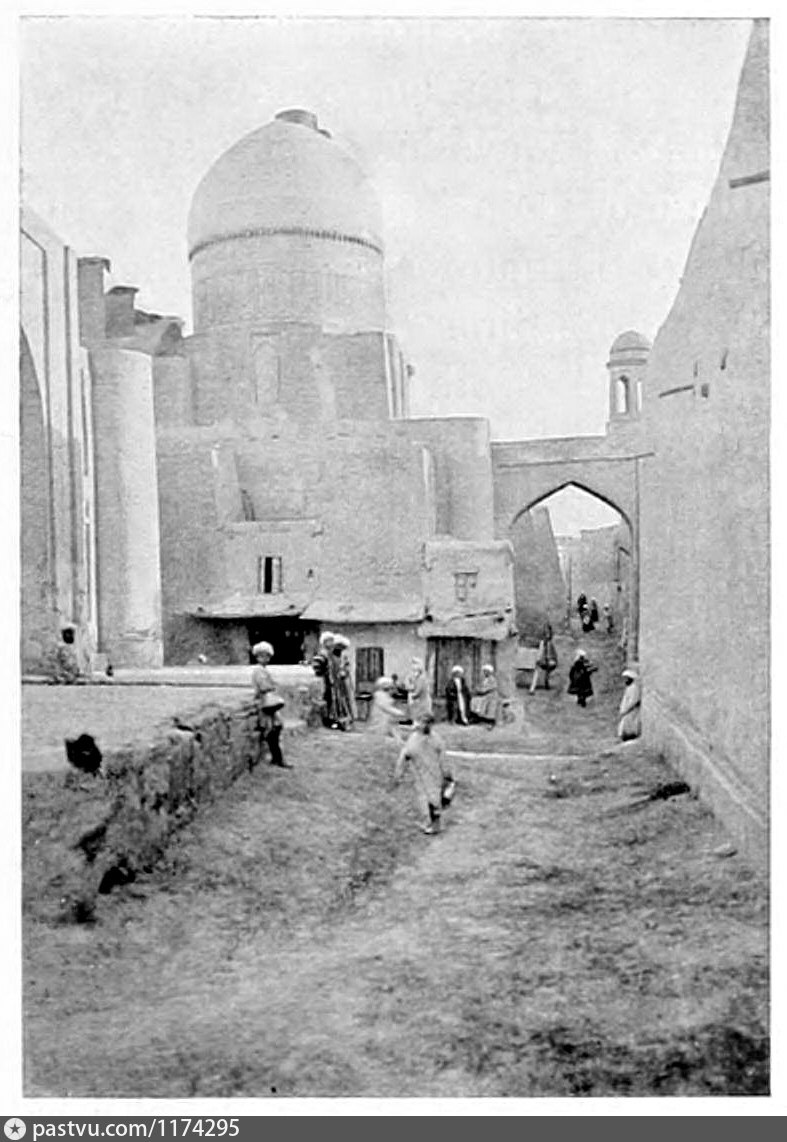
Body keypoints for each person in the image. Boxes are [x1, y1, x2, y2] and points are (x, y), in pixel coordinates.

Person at [394, 714, 454, 835]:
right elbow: (405, 756)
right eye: (424, 722)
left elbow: (442, 758)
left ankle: (432, 824)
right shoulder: (417, 739)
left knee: (431, 798)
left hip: (433, 774)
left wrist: (447, 774)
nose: (425, 725)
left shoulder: (433, 739)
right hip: (422, 774)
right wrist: (398, 773)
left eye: (427, 723)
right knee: (429, 799)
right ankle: (432, 823)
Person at [251, 641, 292, 768]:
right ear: (257, 656)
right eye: (263, 656)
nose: (266, 659)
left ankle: (277, 757)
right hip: (265, 702)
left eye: (267, 656)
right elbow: (264, 686)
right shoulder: (258, 671)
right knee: (272, 730)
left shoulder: (262, 670)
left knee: (276, 728)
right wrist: (272, 686)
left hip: (268, 702)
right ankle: (277, 758)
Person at [328, 634, 356, 731]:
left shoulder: (344, 657)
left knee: (345, 700)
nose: (340, 649)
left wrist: (345, 671)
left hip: (344, 683)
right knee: (336, 701)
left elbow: (347, 668)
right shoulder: (331, 658)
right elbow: (330, 670)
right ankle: (337, 720)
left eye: (341, 647)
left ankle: (347, 720)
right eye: (338, 647)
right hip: (335, 683)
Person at [366, 676, 406, 743]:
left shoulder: (386, 696)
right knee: (379, 738)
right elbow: (387, 708)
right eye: (390, 688)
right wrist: (401, 713)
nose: (392, 690)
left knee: (393, 727)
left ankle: (399, 741)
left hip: (386, 719)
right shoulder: (380, 696)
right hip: (379, 722)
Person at [311, 631, 335, 727]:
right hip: (323, 681)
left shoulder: (329, 655)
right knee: (325, 699)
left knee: (329, 700)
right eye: (330, 641)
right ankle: (325, 720)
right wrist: (323, 676)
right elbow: (317, 669)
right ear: (325, 642)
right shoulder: (322, 655)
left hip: (328, 681)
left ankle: (329, 718)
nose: (332, 643)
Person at [530, 623, 558, 693]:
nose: (547, 635)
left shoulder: (550, 643)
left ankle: (546, 680)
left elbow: (553, 654)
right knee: (537, 670)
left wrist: (552, 659)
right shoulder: (543, 643)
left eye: (548, 633)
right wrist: (539, 659)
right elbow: (540, 651)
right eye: (546, 633)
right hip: (542, 661)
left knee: (548, 669)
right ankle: (532, 688)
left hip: (549, 661)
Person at [471, 663, 499, 729]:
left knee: (487, 706)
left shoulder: (492, 679)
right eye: (484, 671)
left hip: (491, 696)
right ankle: (477, 717)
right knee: (474, 700)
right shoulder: (485, 679)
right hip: (486, 695)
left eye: (486, 671)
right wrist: (477, 690)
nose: (484, 673)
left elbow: (487, 689)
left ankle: (490, 722)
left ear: (489, 672)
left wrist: (479, 691)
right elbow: (482, 688)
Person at [405, 657, 432, 724]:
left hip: (422, 701)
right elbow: (408, 685)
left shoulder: (421, 678)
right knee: (416, 716)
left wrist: (411, 696)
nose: (414, 672)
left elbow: (417, 691)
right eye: (413, 670)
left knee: (420, 717)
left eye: (415, 670)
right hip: (419, 700)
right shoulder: (416, 677)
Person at [618, 668, 642, 740]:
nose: (625, 680)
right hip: (627, 710)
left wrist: (625, 710)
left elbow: (633, 700)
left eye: (627, 679)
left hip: (631, 710)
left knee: (629, 723)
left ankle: (631, 735)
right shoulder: (629, 688)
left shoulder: (634, 688)